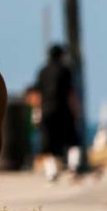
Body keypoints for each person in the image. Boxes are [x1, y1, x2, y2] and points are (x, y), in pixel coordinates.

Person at [29, 44, 81, 181]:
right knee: (72, 140)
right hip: (64, 110)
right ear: (61, 55)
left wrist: (36, 112)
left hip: (46, 110)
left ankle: (51, 173)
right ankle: (73, 168)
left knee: (47, 144)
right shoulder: (66, 70)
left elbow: (36, 94)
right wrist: (76, 110)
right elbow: (71, 93)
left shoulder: (42, 71)